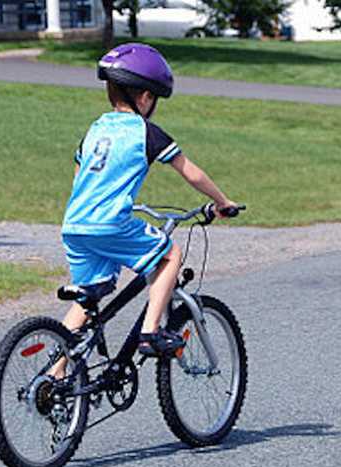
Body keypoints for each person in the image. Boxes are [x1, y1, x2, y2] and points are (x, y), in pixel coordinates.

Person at [49, 43, 237, 379]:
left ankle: (54, 374)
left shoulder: (95, 129)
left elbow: (80, 176)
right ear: (146, 98)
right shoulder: (145, 132)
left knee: (89, 297)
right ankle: (150, 332)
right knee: (169, 255)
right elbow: (189, 171)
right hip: (110, 224)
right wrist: (223, 202)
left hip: (75, 224)